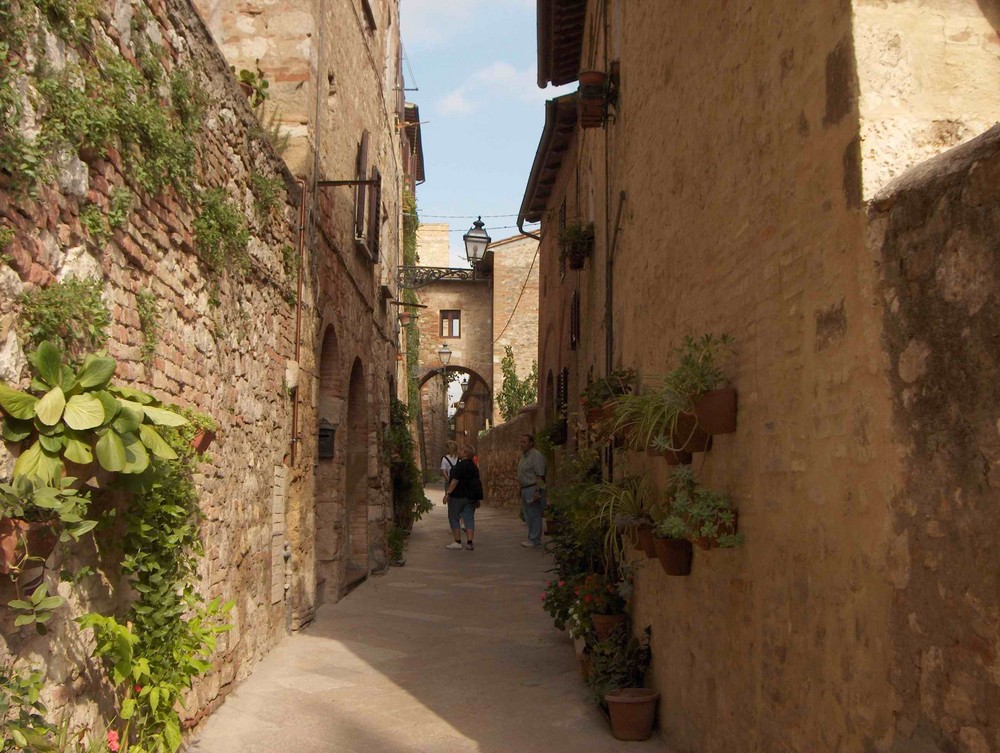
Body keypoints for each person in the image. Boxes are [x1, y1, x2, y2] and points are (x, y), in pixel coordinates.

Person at [444, 444, 480, 551]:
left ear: (465, 454)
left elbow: (455, 481)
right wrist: (477, 498)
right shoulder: (474, 467)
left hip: (457, 497)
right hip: (470, 497)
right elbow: (476, 483)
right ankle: (469, 542)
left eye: (461, 450)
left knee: (454, 517)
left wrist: (448, 494)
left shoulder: (459, 467)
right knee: (469, 518)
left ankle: (458, 541)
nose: (459, 451)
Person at [517, 434, 547, 548]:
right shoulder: (524, 456)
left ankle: (535, 539)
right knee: (528, 514)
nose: (522, 444)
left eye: (524, 442)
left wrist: (537, 491)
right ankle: (531, 537)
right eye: (521, 442)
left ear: (531, 443)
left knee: (534, 514)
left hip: (533, 487)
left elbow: (540, 475)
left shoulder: (536, 456)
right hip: (525, 488)